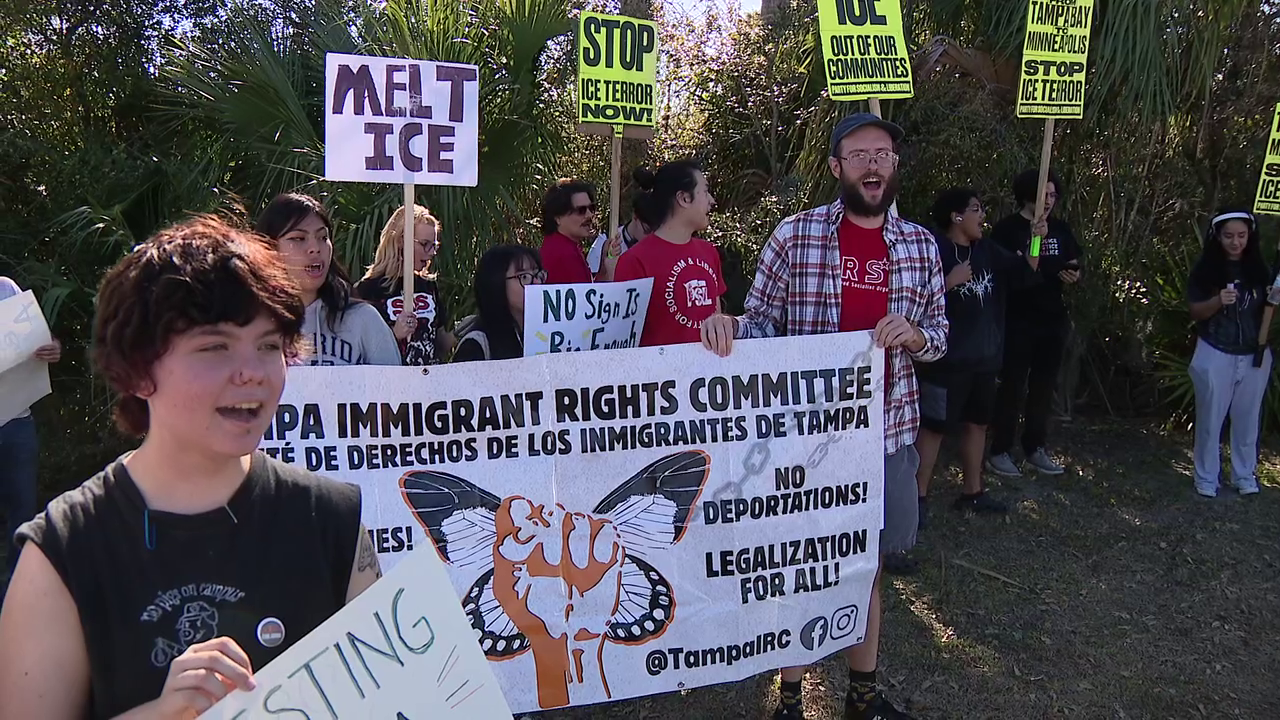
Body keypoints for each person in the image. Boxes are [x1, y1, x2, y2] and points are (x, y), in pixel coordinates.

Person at [0, 216, 383, 720]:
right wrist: (163, 713)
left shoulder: (333, 521)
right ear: (139, 371)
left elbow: (400, 695)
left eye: (269, 345)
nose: (252, 373)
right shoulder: (63, 551)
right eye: (214, 347)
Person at [701, 112, 947, 720]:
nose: (872, 164)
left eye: (882, 153)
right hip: (805, 440)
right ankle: (790, 699)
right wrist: (728, 326)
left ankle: (862, 696)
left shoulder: (920, 245)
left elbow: (940, 334)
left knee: (869, 567)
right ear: (837, 166)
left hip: (886, 432)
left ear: (895, 165)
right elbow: (761, 323)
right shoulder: (796, 236)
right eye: (859, 154)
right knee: (798, 565)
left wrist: (915, 336)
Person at [913, 188, 1040, 530]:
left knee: (978, 424)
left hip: (983, 361)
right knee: (933, 428)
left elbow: (1027, 273)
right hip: (945, 362)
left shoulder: (988, 250)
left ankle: (972, 492)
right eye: (975, 209)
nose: (982, 216)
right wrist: (948, 282)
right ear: (956, 216)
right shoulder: (934, 250)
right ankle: (916, 498)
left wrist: (1036, 241)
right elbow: (910, 301)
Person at [985, 169, 1082, 478]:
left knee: (1043, 386)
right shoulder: (1007, 230)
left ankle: (1035, 447)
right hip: (1018, 319)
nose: (1049, 201)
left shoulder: (1061, 229)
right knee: (1012, 386)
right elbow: (1023, 270)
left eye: (1053, 195)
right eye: (1043, 195)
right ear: (1028, 195)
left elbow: (1074, 260)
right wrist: (1036, 240)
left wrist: (1074, 273)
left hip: (1052, 319)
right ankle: (1000, 449)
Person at [1186, 208, 1275, 497]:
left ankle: (1244, 475)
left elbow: (1268, 309)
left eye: (1241, 235)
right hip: (1215, 350)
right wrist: (1217, 301)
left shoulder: (1260, 270)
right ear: (1217, 236)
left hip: (1254, 353)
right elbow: (1196, 311)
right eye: (1228, 236)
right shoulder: (1206, 271)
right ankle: (1206, 478)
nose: (1236, 242)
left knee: (1248, 419)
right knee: (1210, 419)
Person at [256, 193, 401, 366]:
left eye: (323, 238)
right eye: (298, 238)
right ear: (269, 247)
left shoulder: (363, 319)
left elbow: (393, 383)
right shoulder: (249, 323)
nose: (315, 248)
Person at [614, 161, 728, 346]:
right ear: (684, 198)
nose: (712, 201)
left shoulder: (709, 252)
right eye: (705, 191)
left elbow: (716, 324)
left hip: (707, 364)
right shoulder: (635, 261)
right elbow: (624, 337)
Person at [0, 277, 61, 586]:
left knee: (23, 513)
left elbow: (39, 338)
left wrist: (52, 347)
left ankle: (16, 593)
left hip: (17, 421)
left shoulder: (6, 289)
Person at [354, 204, 455, 365]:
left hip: (429, 377)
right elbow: (358, 350)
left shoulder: (428, 287)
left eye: (434, 245)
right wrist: (394, 334)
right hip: (389, 377)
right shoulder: (367, 290)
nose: (431, 252)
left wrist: (461, 332)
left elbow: (439, 342)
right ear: (401, 241)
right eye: (425, 244)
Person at [453, 245, 546, 362]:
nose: (537, 283)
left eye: (538, 274)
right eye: (524, 277)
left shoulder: (543, 334)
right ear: (496, 284)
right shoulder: (475, 345)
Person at [539, 178, 600, 284]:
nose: (589, 215)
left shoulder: (563, 247)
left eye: (591, 208)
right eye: (581, 210)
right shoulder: (563, 256)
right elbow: (584, 294)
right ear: (558, 217)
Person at [586, 192, 655, 279]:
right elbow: (591, 283)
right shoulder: (603, 242)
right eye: (647, 230)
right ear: (635, 217)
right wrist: (605, 266)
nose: (651, 236)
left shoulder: (655, 248)